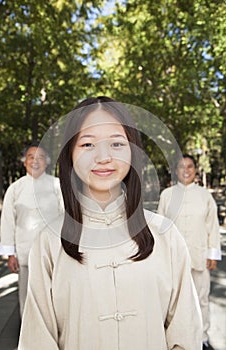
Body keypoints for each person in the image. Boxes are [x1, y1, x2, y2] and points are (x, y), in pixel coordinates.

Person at [18, 97, 202, 350]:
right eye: (88, 144)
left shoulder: (165, 235)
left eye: (116, 143)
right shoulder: (48, 242)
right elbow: (37, 339)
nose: (103, 157)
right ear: (70, 154)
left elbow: (185, 330)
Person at [158, 154, 221, 350]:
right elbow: (160, 226)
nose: (186, 170)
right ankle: (173, 339)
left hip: (199, 255)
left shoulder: (205, 196)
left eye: (190, 166)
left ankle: (201, 337)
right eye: (181, 167)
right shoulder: (167, 195)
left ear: (195, 170)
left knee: (201, 297)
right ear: (176, 171)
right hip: (172, 258)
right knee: (171, 301)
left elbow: (212, 225)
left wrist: (213, 253)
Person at [0, 142, 63, 316]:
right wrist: (10, 254)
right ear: (24, 161)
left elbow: (67, 217)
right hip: (25, 252)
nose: (35, 161)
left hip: (54, 252)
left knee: (55, 294)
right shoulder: (15, 189)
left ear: (47, 162)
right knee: (26, 296)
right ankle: (28, 336)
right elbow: (8, 222)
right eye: (31, 157)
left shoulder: (57, 186)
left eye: (40, 157)